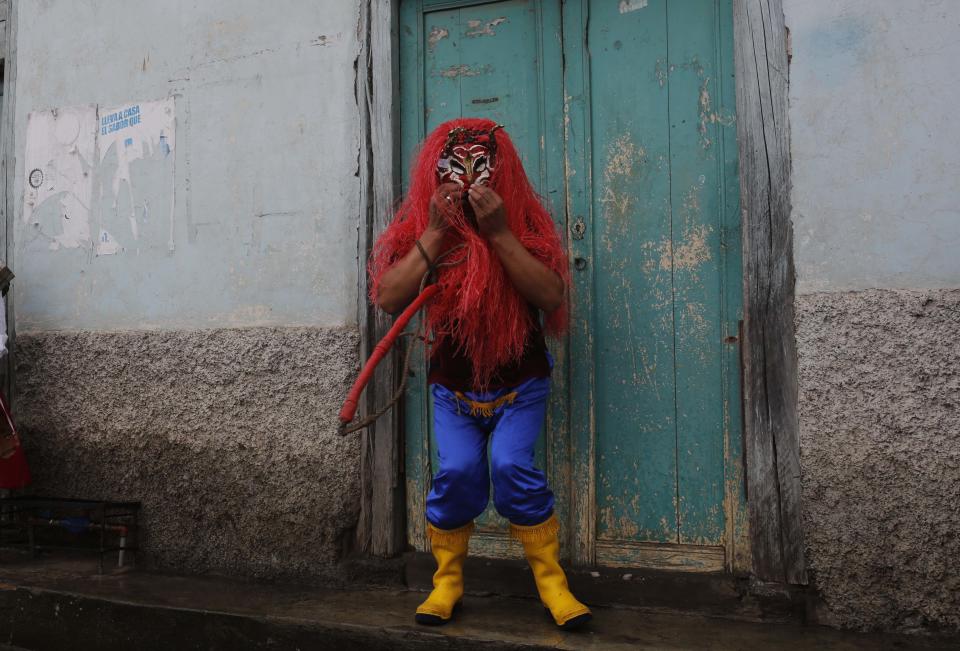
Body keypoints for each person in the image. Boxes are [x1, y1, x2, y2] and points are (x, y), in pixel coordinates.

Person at [369, 118, 591, 630]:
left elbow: (551, 296)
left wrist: (499, 233)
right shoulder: (424, 229)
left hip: (521, 384)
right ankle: (446, 583)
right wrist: (433, 231)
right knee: (459, 474)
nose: (468, 177)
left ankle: (553, 586)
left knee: (513, 469)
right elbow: (387, 297)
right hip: (452, 389)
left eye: (480, 165)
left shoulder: (525, 222)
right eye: (455, 165)